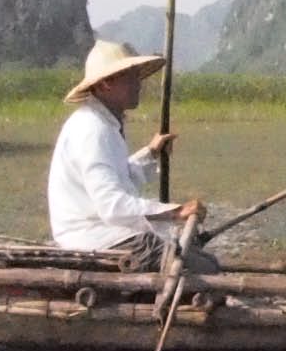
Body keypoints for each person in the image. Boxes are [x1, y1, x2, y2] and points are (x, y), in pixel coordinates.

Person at [47, 40, 219, 273]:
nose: (138, 84)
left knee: (203, 260)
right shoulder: (92, 129)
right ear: (106, 82)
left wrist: (151, 153)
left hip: (107, 234)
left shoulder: (105, 124)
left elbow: (121, 179)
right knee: (203, 268)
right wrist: (175, 212)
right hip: (94, 239)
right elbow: (112, 205)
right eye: (130, 77)